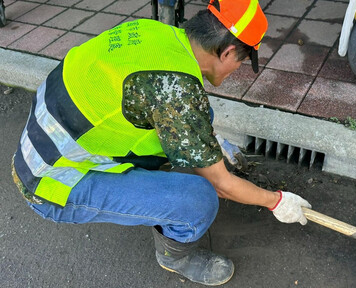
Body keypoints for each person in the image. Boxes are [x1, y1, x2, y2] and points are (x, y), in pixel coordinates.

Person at [11, 0, 312, 286]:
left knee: (199, 114)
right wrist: (277, 201)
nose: (238, 69)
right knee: (199, 199)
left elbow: (172, 106)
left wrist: (208, 142)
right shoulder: (177, 91)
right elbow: (222, 185)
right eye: (243, 61)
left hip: (47, 141)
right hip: (51, 181)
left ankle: (180, 164)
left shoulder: (157, 33)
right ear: (228, 53)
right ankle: (176, 258)